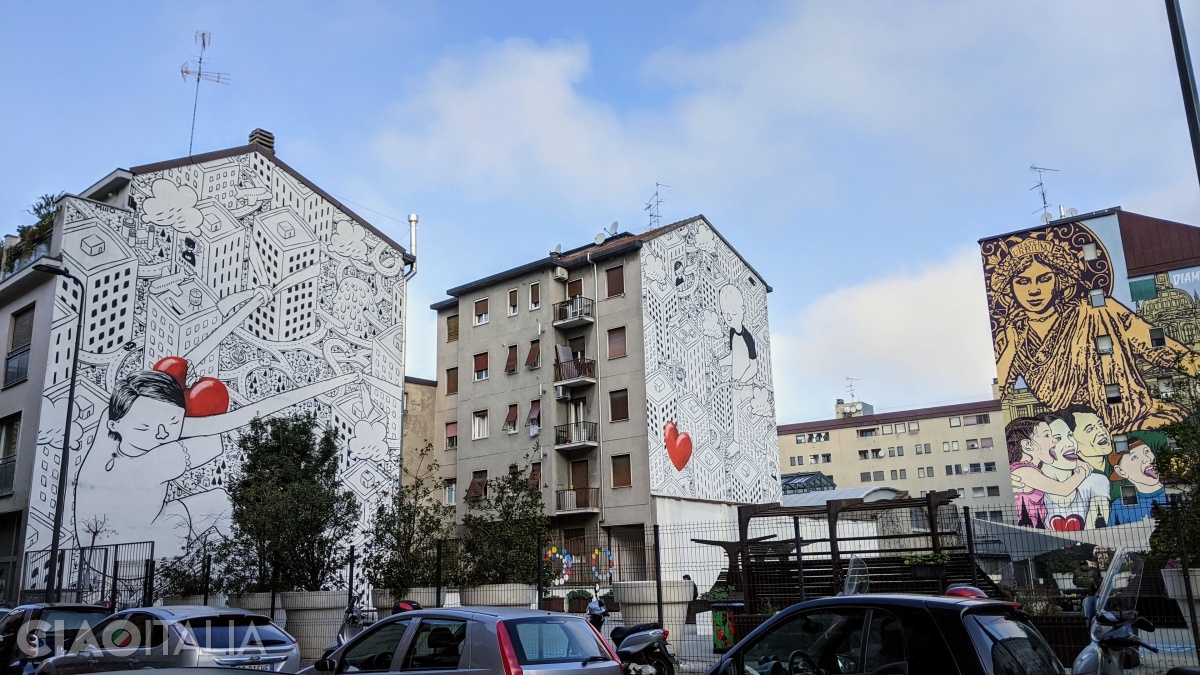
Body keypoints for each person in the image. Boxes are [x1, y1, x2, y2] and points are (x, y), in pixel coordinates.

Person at [987, 228, 1200, 432]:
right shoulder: (1012, 338)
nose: (1034, 290)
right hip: (1080, 439)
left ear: (1060, 280)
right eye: (1023, 281)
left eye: (1044, 278)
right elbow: (1001, 396)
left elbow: (1161, 347)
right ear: (1009, 289)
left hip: (1140, 421)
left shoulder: (1097, 310)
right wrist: (1010, 348)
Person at [1006, 417, 1091, 529]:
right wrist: (1082, 473)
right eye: (1047, 436)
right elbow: (1063, 489)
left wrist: (1075, 460)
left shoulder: (1029, 469)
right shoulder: (1024, 471)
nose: (1054, 440)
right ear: (1027, 445)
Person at [1108, 440, 1167, 525]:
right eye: (1134, 457)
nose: (1147, 459)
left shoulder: (1176, 493)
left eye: (1146, 451)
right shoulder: (1119, 505)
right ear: (1121, 471)